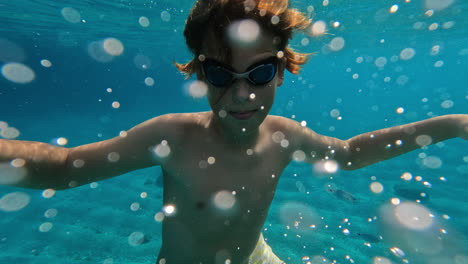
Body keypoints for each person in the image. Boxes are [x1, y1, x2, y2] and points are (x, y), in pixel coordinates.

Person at [0, 0, 466, 263]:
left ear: (282, 72)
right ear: (201, 75)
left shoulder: (284, 137)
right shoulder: (173, 137)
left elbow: (346, 154)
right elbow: (63, 168)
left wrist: (452, 124)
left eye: (259, 75)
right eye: (222, 76)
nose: (242, 96)